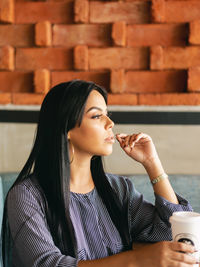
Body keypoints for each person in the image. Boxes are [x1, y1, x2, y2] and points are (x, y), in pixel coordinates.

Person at [1, 80, 198, 267]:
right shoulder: (26, 195)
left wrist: (152, 163)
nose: (110, 122)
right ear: (65, 127)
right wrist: (137, 260)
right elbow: (46, 263)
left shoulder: (118, 189)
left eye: (107, 113)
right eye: (97, 116)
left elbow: (174, 234)